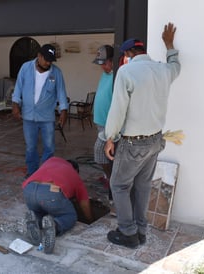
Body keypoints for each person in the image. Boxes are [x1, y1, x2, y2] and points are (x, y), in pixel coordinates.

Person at [104, 22, 181, 248]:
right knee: (142, 186)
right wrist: (169, 45)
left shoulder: (127, 72)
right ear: (143, 51)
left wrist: (110, 136)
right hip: (156, 140)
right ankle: (141, 231)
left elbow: (118, 109)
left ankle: (128, 233)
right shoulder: (163, 70)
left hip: (133, 143)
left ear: (128, 54)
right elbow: (176, 65)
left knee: (118, 185)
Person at [12, 44, 69, 177]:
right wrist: (15, 104)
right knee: (30, 147)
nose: (48, 63)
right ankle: (32, 172)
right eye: (46, 59)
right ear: (39, 56)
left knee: (49, 147)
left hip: (47, 117)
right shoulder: (26, 68)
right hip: (28, 116)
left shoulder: (56, 72)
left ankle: (46, 173)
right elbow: (18, 87)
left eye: (51, 60)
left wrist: (64, 110)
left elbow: (61, 92)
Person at [22, 156, 93, 254]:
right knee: (69, 215)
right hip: (50, 192)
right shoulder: (74, 174)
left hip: (29, 189)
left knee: (40, 212)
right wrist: (89, 219)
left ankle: (36, 222)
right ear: (76, 170)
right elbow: (84, 202)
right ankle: (55, 226)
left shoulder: (52, 160)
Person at [92, 45, 114, 206]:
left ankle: (112, 182)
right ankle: (110, 179)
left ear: (112, 61)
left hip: (110, 125)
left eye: (104, 63)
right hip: (101, 124)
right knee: (105, 156)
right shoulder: (105, 74)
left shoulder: (117, 76)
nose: (102, 66)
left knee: (100, 153)